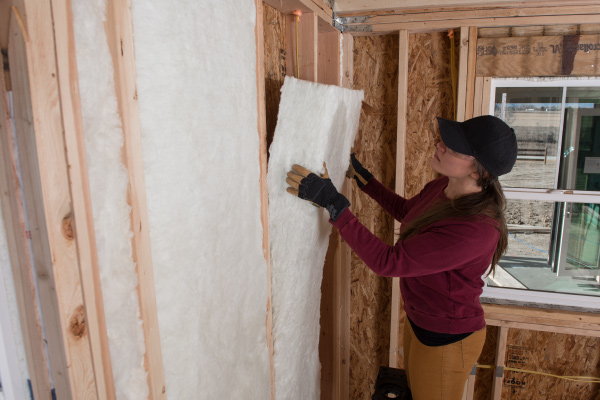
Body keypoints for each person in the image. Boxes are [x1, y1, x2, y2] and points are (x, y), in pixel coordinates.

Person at [286, 115, 518, 400]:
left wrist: (335, 205)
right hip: (421, 321)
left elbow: (389, 262)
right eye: (446, 140)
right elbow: (409, 212)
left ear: (478, 172)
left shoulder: (475, 230)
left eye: (454, 149)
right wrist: (366, 181)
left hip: (448, 339)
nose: (440, 145)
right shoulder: (444, 188)